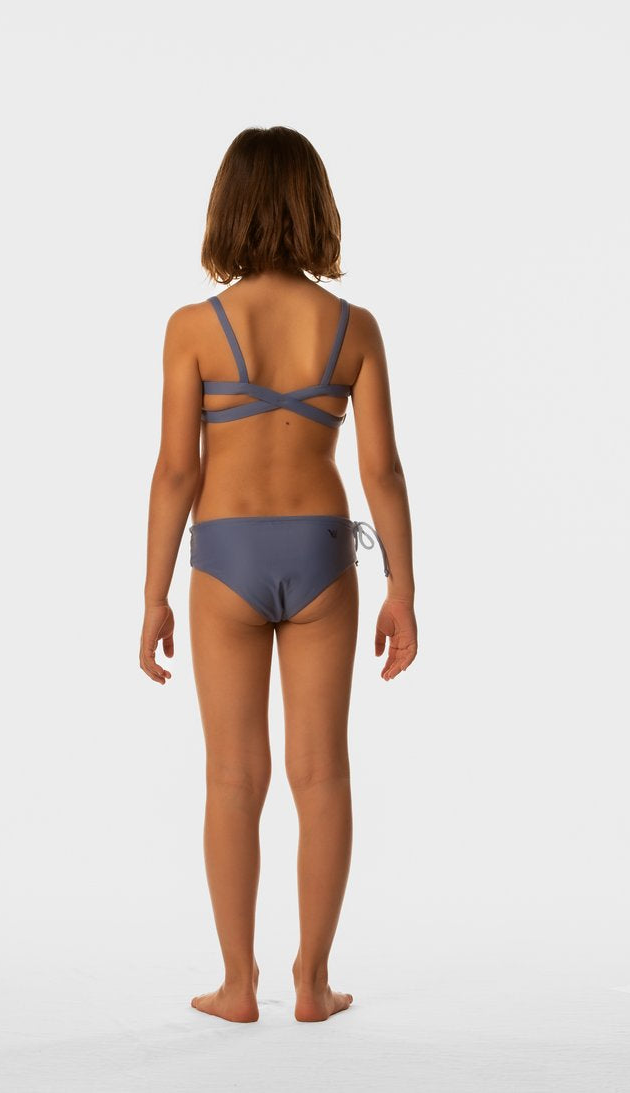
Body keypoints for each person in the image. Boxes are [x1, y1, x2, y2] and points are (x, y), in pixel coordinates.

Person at [139, 126, 418, 1024]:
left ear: (228, 207)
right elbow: (382, 470)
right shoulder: (353, 328)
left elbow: (176, 470)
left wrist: (153, 594)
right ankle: (312, 981)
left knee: (233, 776)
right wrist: (403, 588)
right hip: (323, 553)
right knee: (322, 773)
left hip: (225, 556)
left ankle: (236, 984)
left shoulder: (193, 329)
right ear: (314, 207)